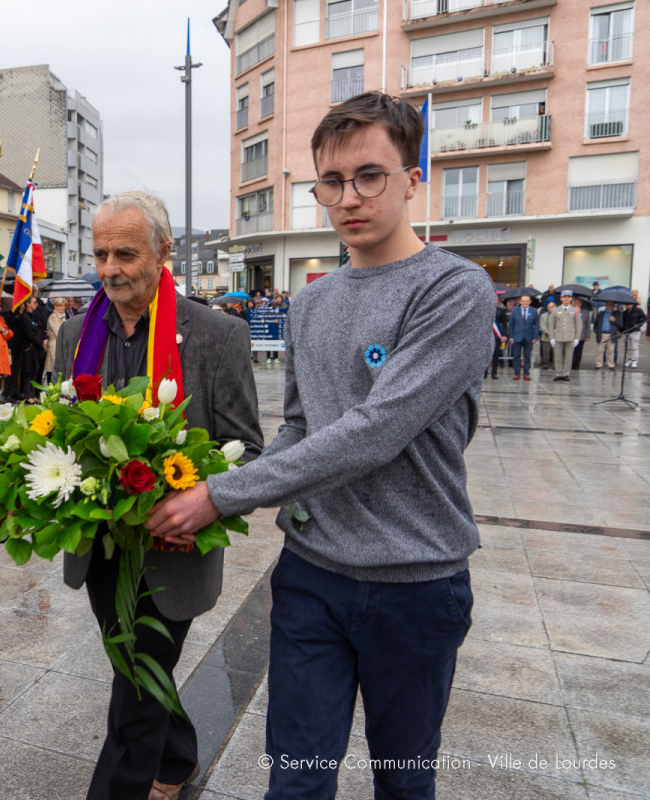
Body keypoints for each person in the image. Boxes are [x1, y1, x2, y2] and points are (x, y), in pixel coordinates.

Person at [149, 92, 494, 799]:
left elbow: (376, 432)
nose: (349, 198)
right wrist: (211, 480)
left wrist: (219, 494)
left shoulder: (454, 289)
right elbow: (303, 427)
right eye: (331, 182)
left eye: (370, 175)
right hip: (312, 577)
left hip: (416, 579)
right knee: (296, 782)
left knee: (403, 779)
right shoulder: (310, 300)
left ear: (412, 178)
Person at [53, 191, 263, 800]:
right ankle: (177, 758)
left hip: (175, 547)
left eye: (126, 253)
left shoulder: (218, 335)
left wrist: (202, 500)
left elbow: (248, 450)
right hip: (102, 545)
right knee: (133, 668)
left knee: (136, 689)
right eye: (100, 254)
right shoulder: (74, 332)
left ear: (164, 252)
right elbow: (59, 425)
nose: (111, 268)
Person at [546, 290, 581, 382]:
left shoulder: (575, 310)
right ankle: (558, 373)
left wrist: (577, 338)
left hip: (570, 336)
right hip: (558, 336)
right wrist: (552, 338)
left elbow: (578, 325)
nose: (566, 299)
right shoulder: (555, 310)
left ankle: (565, 374)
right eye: (564, 297)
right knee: (557, 356)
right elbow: (551, 324)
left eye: (568, 297)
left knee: (568, 356)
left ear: (571, 299)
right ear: (561, 298)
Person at [508, 294, 539, 380]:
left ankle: (526, 373)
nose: (525, 302)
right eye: (523, 301)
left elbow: (536, 325)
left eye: (527, 301)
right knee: (516, 356)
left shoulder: (534, 311)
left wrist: (535, 337)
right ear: (520, 301)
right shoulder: (515, 311)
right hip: (517, 336)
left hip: (529, 337)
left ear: (530, 302)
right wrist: (511, 337)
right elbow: (511, 325)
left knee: (527, 356)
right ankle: (517, 373)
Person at [43, 296, 68, 382]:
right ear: (55, 306)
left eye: (64, 305)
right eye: (60, 306)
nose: (62, 307)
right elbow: (58, 332)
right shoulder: (53, 317)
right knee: (53, 368)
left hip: (61, 344)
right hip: (54, 344)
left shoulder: (63, 316)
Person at [593, 301, 622, 369]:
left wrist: (614, 321)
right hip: (602, 334)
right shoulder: (601, 314)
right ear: (605, 305)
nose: (609, 307)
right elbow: (595, 323)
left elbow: (621, 325)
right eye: (608, 305)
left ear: (613, 306)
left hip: (611, 335)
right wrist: (597, 331)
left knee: (611, 351)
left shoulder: (617, 314)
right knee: (600, 351)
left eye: (611, 305)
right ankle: (598, 364)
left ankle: (611, 365)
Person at [621, 301, 645, 368]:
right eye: (626, 305)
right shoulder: (624, 313)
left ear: (632, 304)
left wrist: (639, 324)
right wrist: (622, 331)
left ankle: (635, 361)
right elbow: (623, 322)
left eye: (628, 305)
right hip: (627, 332)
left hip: (635, 331)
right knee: (628, 347)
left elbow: (644, 318)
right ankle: (630, 359)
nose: (627, 306)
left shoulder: (638, 311)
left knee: (634, 346)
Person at [490, 295, 508, 379]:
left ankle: (494, 372)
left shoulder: (502, 310)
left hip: (497, 335)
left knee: (496, 354)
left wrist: (504, 334)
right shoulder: (485, 310)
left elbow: (504, 324)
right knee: (485, 355)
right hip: (487, 335)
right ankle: (484, 372)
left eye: (496, 299)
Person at [571, 295, 591, 372]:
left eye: (579, 303)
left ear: (581, 304)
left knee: (578, 351)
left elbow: (588, 324)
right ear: (573, 303)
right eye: (576, 303)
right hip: (571, 334)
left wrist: (587, 335)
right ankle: (570, 364)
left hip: (581, 335)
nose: (577, 304)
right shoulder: (570, 310)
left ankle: (576, 365)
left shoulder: (585, 312)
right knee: (570, 350)